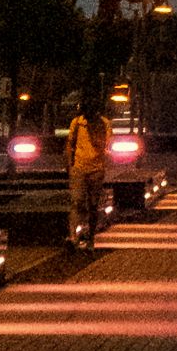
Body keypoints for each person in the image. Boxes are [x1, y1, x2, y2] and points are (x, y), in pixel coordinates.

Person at [64, 97, 111, 254]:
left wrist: (97, 134)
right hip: (78, 169)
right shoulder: (77, 123)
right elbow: (70, 145)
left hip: (96, 170)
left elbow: (105, 144)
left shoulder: (104, 124)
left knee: (92, 205)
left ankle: (91, 237)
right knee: (76, 201)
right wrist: (70, 166)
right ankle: (73, 237)